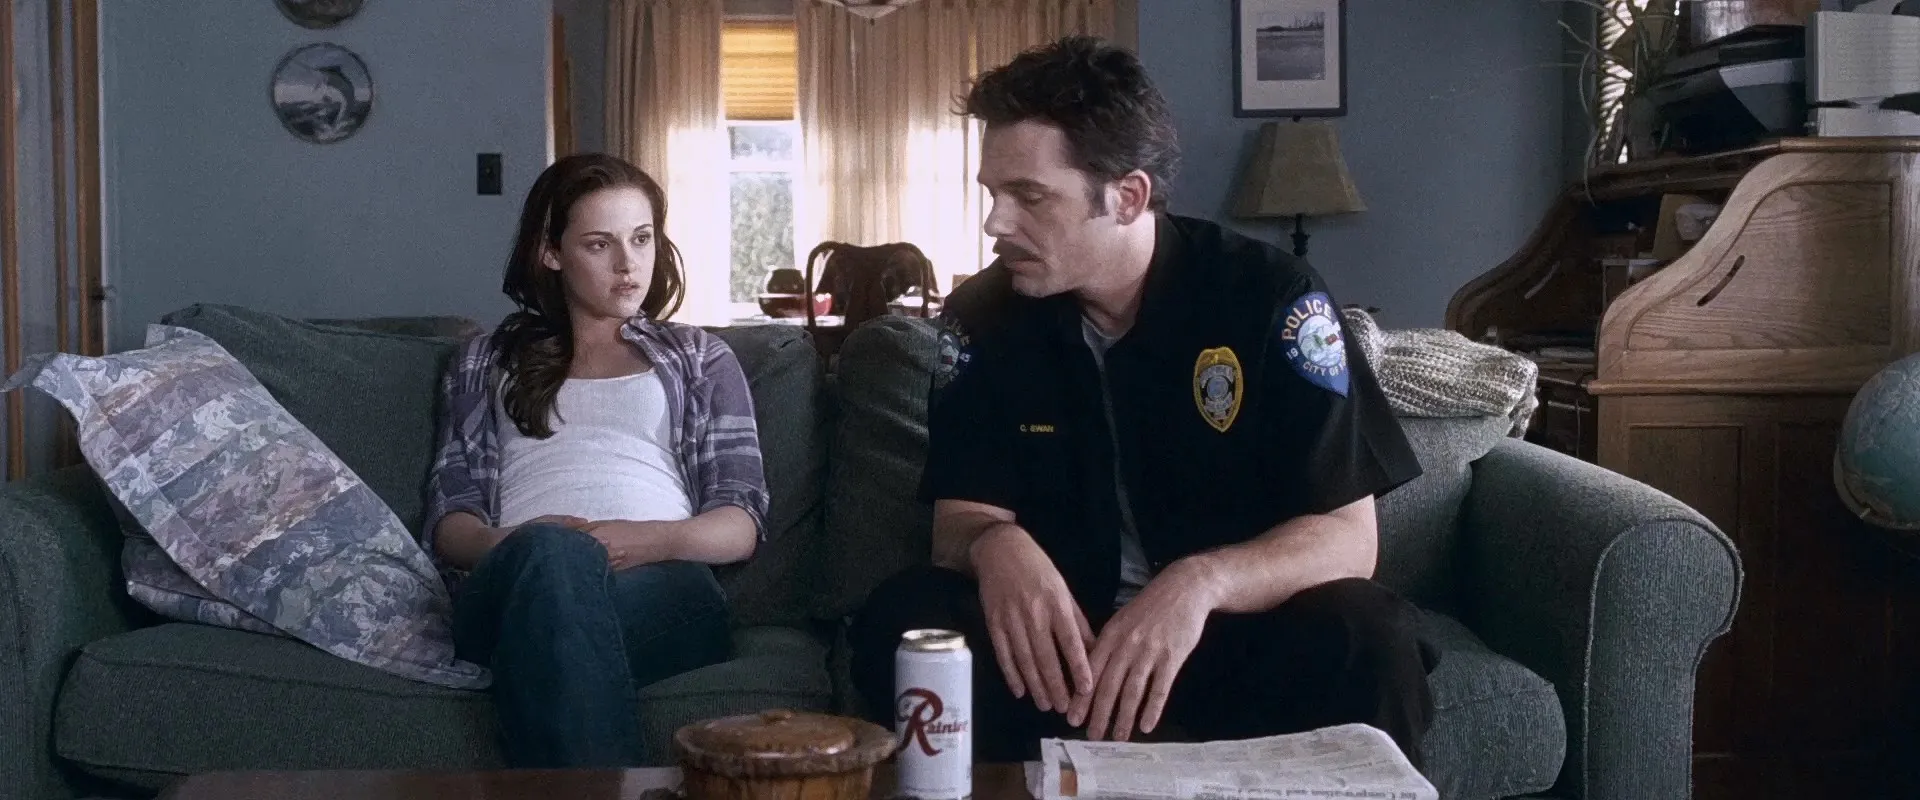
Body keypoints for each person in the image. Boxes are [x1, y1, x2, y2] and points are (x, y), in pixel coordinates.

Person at [848, 36, 1438, 768]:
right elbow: (958, 521)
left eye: (1029, 196)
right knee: (906, 619)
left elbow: (1349, 539)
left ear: (1127, 196)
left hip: (1228, 637)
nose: (995, 222)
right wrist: (994, 546)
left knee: (1370, 633)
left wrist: (1200, 582)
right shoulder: (984, 317)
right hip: (1063, 654)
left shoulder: (1271, 297)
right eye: (992, 193)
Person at [422, 152, 769, 768]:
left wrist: (641, 541)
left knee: (555, 609)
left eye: (642, 239)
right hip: (517, 577)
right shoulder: (483, 362)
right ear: (551, 253)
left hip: (664, 585)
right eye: (599, 244)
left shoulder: (700, 358)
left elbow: (740, 522)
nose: (628, 264)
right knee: (553, 565)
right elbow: (452, 522)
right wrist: (519, 545)